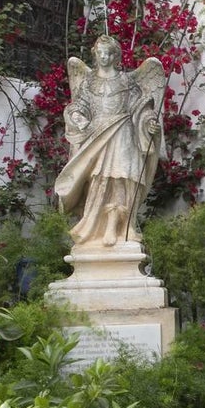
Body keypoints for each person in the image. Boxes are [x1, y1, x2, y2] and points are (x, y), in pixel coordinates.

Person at [55, 35, 164, 248]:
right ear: (95, 54)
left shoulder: (126, 81)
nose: (104, 57)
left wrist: (149, 122)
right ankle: (95, 226)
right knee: (99, 179)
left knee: (125, 177)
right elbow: (80, 105)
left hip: (123, 133)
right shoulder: (89, 81)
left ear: (116, 56)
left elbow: (142, 107)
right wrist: (77, 115)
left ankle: (126, 226)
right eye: (100, 53)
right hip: (97, 136)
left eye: (108, 53)